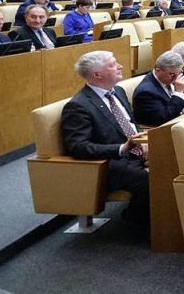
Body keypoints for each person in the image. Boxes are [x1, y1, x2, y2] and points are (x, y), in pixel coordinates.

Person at [61, 51, 149, 224]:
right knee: (150, 180)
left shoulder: (118, 92)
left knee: (172, 163)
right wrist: (122, 148)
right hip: (110, 162)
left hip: (137, 153)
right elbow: (78, 146)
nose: (120, 66)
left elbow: (131, 124)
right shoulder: (78, 105)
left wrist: (144, 142)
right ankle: (137, 221)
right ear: (97, 74)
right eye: (113, 64)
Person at [132, 51, 184, 127]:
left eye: (179, 72)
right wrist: (179, 93)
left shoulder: (174, 79)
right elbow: (164, 118)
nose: (176, 78)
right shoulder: (146, 92)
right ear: (157, 69)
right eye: (171, 74)